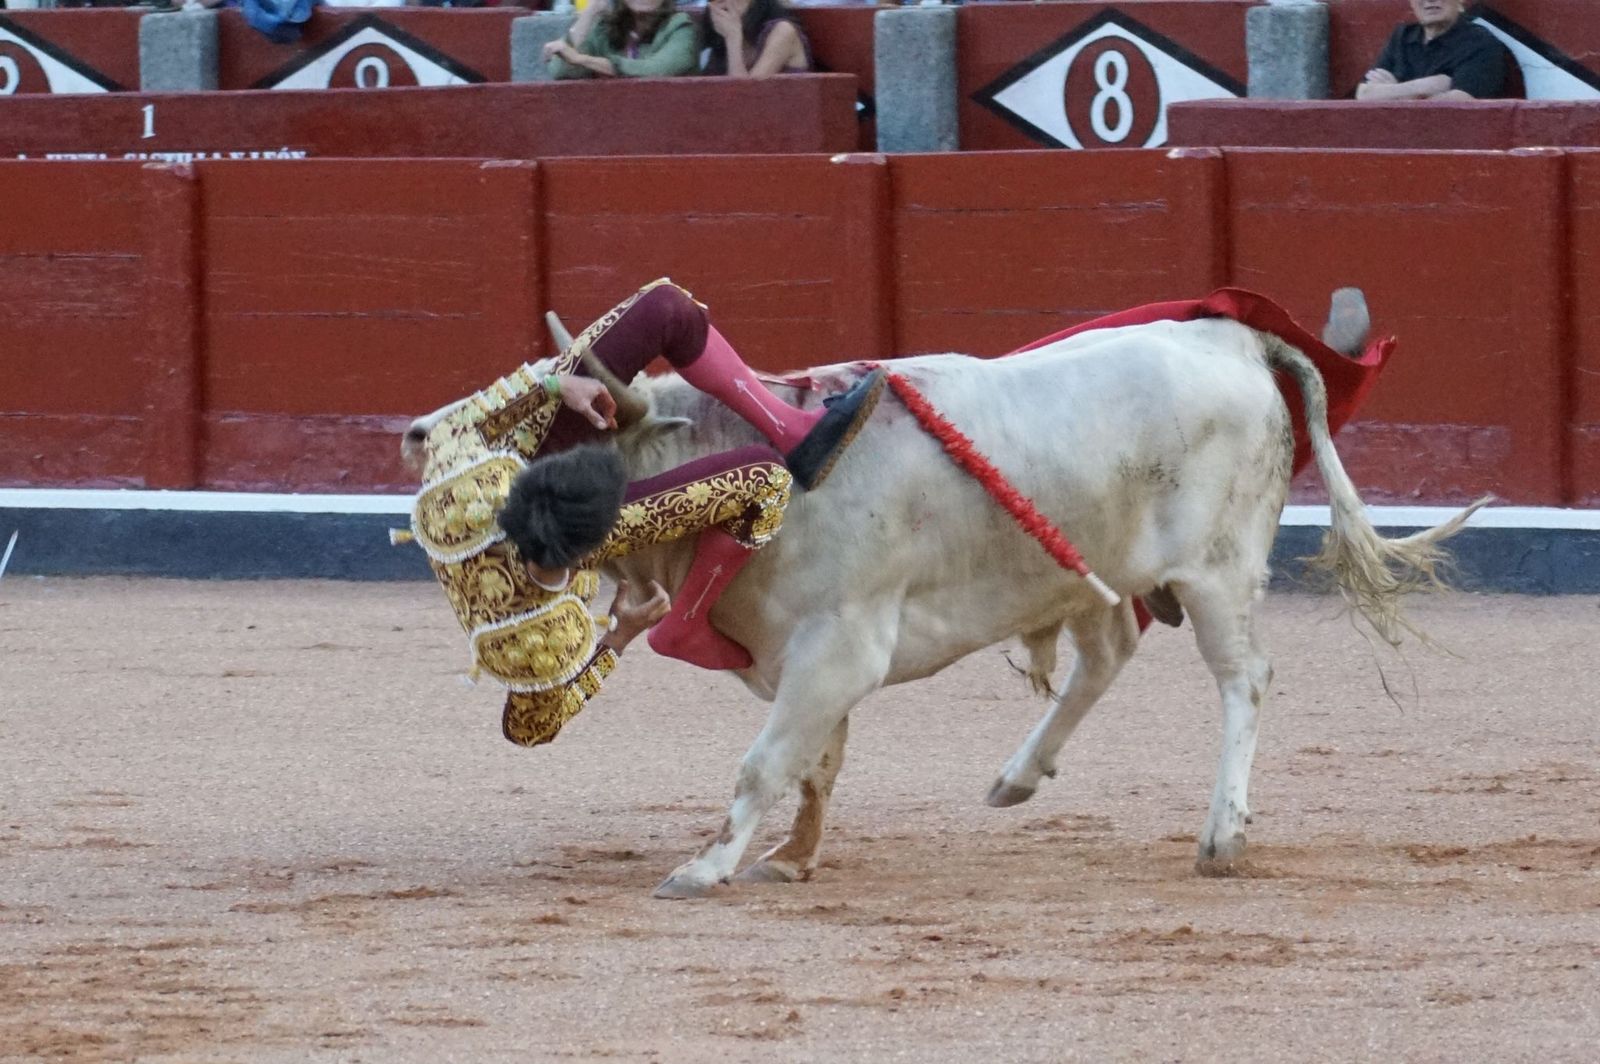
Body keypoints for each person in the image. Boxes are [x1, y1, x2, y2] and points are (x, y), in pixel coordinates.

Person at [404, 280, 884, 746]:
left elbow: (462, 425)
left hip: (508, 496)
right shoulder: (533, 632)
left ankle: (794, 429)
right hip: (535, 538)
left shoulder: (464, 482)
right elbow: (528, 730)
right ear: (600, 544)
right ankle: (686, 622)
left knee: (665, 307)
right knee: (768, 479)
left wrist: (556, 385)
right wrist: (619, 639)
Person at [1356, 0, 1509, 101]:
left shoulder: (1480, 43)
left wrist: (1391, 92)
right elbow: (1364, 94)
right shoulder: (1401, 37)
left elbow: (1460, 104)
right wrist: (1426, 87)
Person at [544, 0, 698, 80]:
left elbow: (657, 69)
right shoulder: (604, 26)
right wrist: (590, 12)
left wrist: (582, 59)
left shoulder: (680, 26)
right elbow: (561, 71)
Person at [702, 0, 812, 79]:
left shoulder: (783, 31)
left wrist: (733, 38)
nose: (723, 3)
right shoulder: (720, 39)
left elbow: (746, 97)